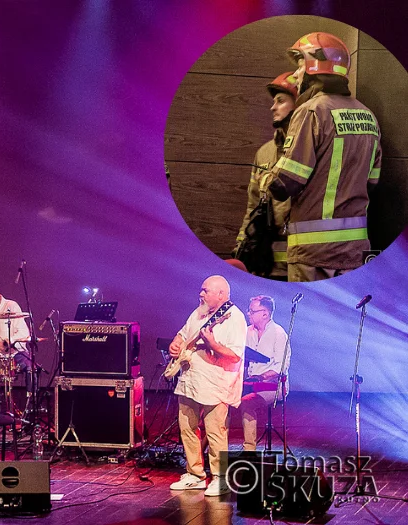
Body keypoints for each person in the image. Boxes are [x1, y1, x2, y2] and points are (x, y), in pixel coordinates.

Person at [265, 32, 382, 282]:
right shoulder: (368, 116)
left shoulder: (311, 111)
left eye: (299, 67)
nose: (296, 75)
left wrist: (267, 180)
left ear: (313, 67)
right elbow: (372, 182)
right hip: (355, 252)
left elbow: (285, 183)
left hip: (313, 255)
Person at [168, 275, 246, 497]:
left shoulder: (234, 317)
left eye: (205, 290)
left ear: (221, 294)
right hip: (191, 380)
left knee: (215, 431)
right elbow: (183, 334)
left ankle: (221, 478)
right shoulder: (198, 312)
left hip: (216, 382)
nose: (200, 294)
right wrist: (176, 344)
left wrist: (213, 344)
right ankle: (195, 474)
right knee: (187, 427)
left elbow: (235, 355)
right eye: (201, 290)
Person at [235, 72, 299, 279]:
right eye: (274, 101)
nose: (273, 107)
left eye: (281, 101)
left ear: (299, 105)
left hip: (301, 266)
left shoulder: (310, 149)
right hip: (266, 266)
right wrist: (241, 245)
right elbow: (253, 204)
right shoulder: (264, 153)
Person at [241, 295, 291, 451]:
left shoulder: (278, 333)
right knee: (223, 399)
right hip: (251, 384)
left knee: (246, 403)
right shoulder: (247, 331)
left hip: (273, 386)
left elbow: (281, 367)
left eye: (252, 311)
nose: (248, 314)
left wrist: (260, 377)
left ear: (265, 313)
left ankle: (249, 451)